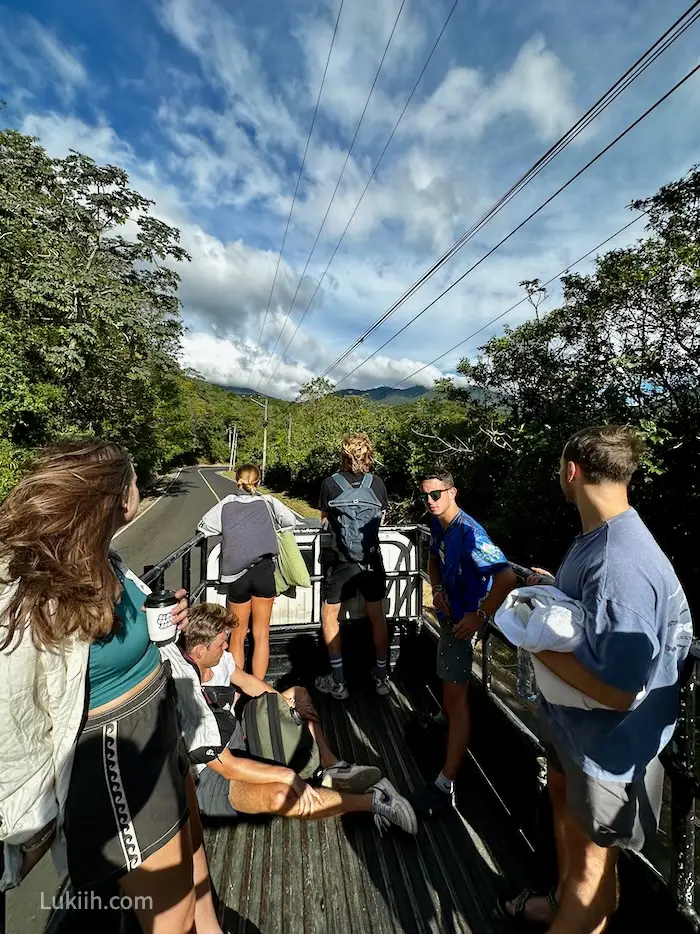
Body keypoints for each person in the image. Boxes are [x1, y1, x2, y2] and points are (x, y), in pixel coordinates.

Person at [0, 440, 224, 934]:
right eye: (135, 482)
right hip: (117, 760)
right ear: (117, 500)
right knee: (171, 916)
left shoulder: (106, 560)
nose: (141, 490)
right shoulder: (42, 583)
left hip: (159, 731)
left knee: (197, 872)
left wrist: (165, 620)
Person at [501, 426, 692, 934]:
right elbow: (597, 619)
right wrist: (552, 589)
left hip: (606, 751)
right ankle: (560, 901)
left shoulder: (617, 563)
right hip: (576, 735)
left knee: (593, 881)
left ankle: (572, 912)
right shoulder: (603, 537)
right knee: (566, 820)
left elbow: (619, 690)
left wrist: (532, 641)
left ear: (572, 471)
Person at [162, 602, 418, 835]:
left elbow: (250, 683)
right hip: (212, 775)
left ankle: (330, 765)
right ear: (198, 651)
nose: (227, 647)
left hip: (237, 737)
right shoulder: (186, 694)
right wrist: (286, 775)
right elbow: (227, 766)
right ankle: (375, 801)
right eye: (221, 643)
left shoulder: (220, 662)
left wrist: (287, 705)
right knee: (281, 797)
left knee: (300, 693)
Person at [413, 471, 517, 818]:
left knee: (456, 703)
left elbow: (506, 576)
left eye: (436, 494)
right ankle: (444, 733)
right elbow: (432, 558)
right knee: (449, 696)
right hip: (448, 618)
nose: (430, 501)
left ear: (452, 492)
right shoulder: (440, 524)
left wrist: (480, 616)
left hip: (461, 627)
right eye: (425, 495)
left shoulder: (471, 532)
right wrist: (438, 589)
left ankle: (446, 784)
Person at [197, 463, 297, 682]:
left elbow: (204, 526)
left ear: (236, 481)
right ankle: (259, 688)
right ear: (259, 482)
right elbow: (290, 521)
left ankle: (237, 689)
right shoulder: (269, 502)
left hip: (237, 576)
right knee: (262, 635)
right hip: (264, 573)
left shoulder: (226, 504)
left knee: (237, 635)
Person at [315, 433, 390, 700]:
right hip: (371, 561)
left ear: (344, 456)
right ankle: (381, 677)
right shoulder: (377, 484)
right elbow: (380, 518)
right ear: (369, 456)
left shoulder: (330, 484)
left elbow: (324, 520)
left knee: (329, 616)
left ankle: (338, 681)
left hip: (341, 562)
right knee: (377, 617)